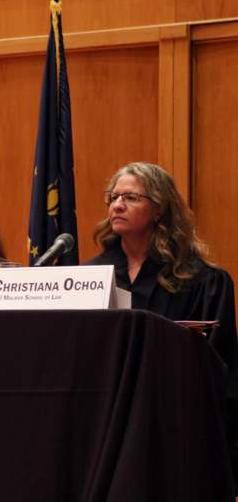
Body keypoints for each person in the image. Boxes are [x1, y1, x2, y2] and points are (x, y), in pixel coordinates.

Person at [87, 162, 237, 484]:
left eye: (130, 197)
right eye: (113, 197)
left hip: (172, 424)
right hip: (103, 419)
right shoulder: (91, 277)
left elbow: (216, 366)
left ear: (158, 209)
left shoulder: (203, 281)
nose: (117, 205)